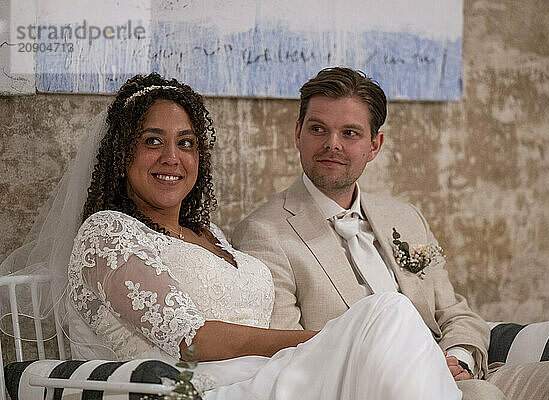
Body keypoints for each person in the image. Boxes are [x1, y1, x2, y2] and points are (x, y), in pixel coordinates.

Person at [0, 73, 462, 399]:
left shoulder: (210, 235)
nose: (171, 157)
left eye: (186, 143)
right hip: (204, 388)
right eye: (152, 140)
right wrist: (327, 340)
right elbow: (193, 340)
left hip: (270, 373)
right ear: (122, 154)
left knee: (388, 328)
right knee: (388, 313)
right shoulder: (107, 233)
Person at [232, 67, 508, 399]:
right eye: (318, 129)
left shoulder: (405, 217)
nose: (332, 145)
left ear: (374, 146)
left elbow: (455, 313)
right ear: (298, 134)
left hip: (463, 373)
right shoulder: (263, 233)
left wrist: (457, 358)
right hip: (371, 387)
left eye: (350, 133)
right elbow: (288, 355)